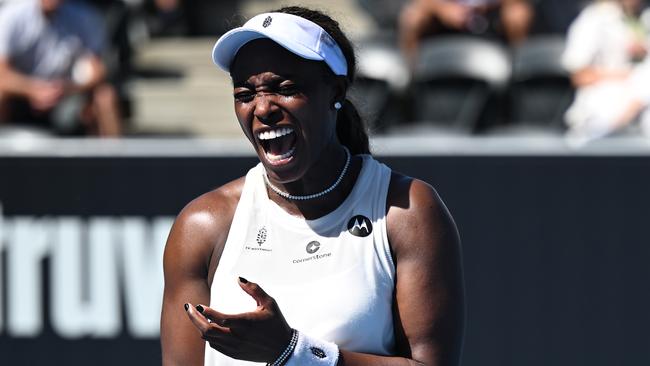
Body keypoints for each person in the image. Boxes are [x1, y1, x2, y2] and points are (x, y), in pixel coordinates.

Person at [161, 6, 465, 366]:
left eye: (284, 88)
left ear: (336, 90)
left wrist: (295, 352)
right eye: (245, 94)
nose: (262, 108)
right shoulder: (202, 225)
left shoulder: (407, 211)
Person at [0, 0, 122, 136]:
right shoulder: (11, 16)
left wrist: (65, 88)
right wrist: (32, 90)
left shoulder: (84, 17)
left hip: (67, 94)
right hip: (20, 97)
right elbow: (2, 73)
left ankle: (113, 155)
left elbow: (97, 71)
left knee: (105, 95)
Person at [563, 0, 650, 142]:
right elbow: (579, 76)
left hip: (642, 107)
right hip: (603, 104)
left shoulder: (647, 17)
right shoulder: (593, 19)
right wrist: (629, 76)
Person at [398, 0, 534, 63]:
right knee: (412, 18)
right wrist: (443, 9)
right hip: (445, 17)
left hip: (492, 14)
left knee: (518, 15)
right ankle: (410, 81)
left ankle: (518, 77)